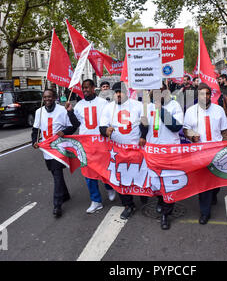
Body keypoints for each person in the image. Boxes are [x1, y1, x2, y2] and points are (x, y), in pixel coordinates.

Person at [99, 82, 148, 220]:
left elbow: (145, 123)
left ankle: (144, 195)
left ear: (126, 92)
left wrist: (143, 136)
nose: (118, 94)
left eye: (120, 92)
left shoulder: (137, 105)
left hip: (136, 148)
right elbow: (102, 127)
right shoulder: (108, 108)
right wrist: (105, 131)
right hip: (117, 150)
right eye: (116, 92)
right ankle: (128, 205)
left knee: (140, 174)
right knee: (121, 178)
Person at [183, 83, 227, 225]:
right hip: (199, 153)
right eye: (202, 94)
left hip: (216, 152)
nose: (205, 96)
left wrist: (224, 148)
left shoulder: (219, 110)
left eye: (208, 94)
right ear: (198, 95)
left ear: (211, 95)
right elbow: (185, 130)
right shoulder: (191, 111)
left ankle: (213, 193)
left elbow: (225, 131)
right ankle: (205, 212)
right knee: (203, 183)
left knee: (215, 181)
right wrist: (192, 135)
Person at [32, 88, 79, 218]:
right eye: (45, 97)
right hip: (46, 148)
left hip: (59, 148)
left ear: (55, 97)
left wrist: (64, 132)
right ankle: (65, 194)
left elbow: (74, 126)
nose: (47, 99)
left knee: (57, 173)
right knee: (54, 172)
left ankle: (57, 205)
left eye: (50, 97)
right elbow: (35, 130)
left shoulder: (62, 110)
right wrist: (34, 142)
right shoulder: (39, 112)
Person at [74, 79, 116, 214]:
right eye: (83, 88)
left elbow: (110, 120)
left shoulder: (104, 103)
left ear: (93, 88)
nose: (85, 90)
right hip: (86, 145)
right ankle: (96, 201)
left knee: (104, 168)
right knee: (88, 173)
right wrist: (69, 112)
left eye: (87, 87)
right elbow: (75, 124)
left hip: (101, 142)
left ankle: (109, 187)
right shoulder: (78, 106)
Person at [146, 82, 184, 230]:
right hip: (153, 152)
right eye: (155, 91)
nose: (158, 94)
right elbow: (144, 126)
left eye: (161, 91)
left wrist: (160, 110)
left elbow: (176, 126)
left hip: (170, 152)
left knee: (169, 182)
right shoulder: (147, 107)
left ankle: (166, 215)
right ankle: (160, 201)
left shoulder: (174, 106)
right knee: (156, 181)